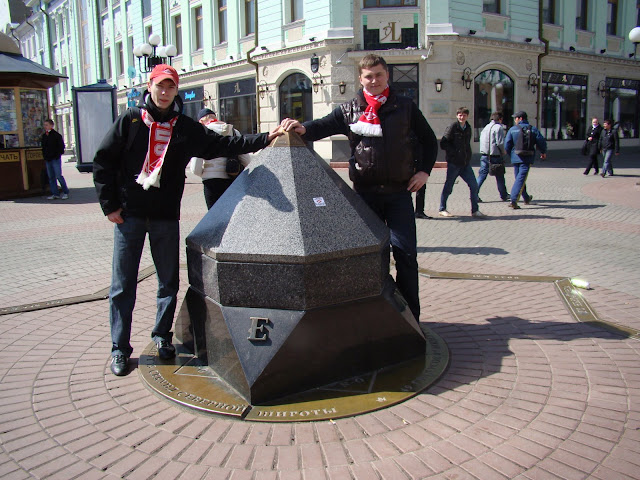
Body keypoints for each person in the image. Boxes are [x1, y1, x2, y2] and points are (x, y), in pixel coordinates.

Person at [93, 64, 281, 376]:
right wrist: (109, 205)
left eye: (171, 87)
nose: (165, 92)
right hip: (129, 215)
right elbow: (104, 161)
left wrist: (265, 138)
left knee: (168, 281)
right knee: (123, 284)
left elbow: (222, 145)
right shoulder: (131, 120)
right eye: (160, 86)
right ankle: (119, 348)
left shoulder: (183, 126)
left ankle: (161, 335)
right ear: (150, 87)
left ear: (176, 90)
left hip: (165, 215)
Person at [280, 53, 438, 323]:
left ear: (387, 75)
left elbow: (429, 140)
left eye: (379, 75)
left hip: (398, 195)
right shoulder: (349, 109)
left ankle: (411, 318)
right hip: (365, 197)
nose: (374, 80)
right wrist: (301, 127)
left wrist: (424, 172)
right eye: (368, 76)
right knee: (367, 257)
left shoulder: (405, 107)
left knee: (406, 256)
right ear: (360, 79)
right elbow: (322, 126)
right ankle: (372, 315)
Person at [189, 108, 251, 209]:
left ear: (201, 121)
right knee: (231, 214)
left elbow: (195, 168)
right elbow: (247, 160)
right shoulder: (234, 131)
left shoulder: (201, 133)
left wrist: (206, 173)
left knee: (214, 215)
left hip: (211, 182)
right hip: (232, 178)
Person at [438, 107, 486, 218]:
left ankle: (475, 210)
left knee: (474, 185)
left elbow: (467, 144)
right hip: (454, 163)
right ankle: (442, 208)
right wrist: (454, 153)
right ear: (457, 116)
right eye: (460, 115)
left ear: (467, 116)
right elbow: (444, 143)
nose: (462, 117)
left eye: (464, 115)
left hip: (465, 163)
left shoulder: (468, 128)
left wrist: (467, 155)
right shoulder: (452, 127)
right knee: (449, 186)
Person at [504, 111, 547, 209]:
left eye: (515, 118)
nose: (515, 120)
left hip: (516, 157)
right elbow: (541, 141)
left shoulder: (513, 129)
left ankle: (526, 198)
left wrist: (511, 154)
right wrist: (543, 152)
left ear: (520, 118)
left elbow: (507, 144)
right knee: (521, 178)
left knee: (519, 178)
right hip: (527, 157)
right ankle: (514, 199)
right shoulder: (533, 129)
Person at [477, 112, 509, 202]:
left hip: (484, 155)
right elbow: (500, 143)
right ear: (500, 119)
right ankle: (504, 195)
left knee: (482, 175)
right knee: (500, 176)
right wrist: (503, 151)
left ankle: (474, 193)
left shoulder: (486, 127)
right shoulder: (499, 128)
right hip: (495, 155)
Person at [41, 119, 69, 200]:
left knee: (58, 176)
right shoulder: (44, 136)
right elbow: (43, 147)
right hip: (48, 159)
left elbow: (61, 147)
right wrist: (45, 156)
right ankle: (55, 193)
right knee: (51, 177)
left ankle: (65, 192)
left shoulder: (56, 135)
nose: (45, 126)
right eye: (44, 125)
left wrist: (57, 155)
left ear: (51, 125)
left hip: (55, 158)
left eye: (47, 125)